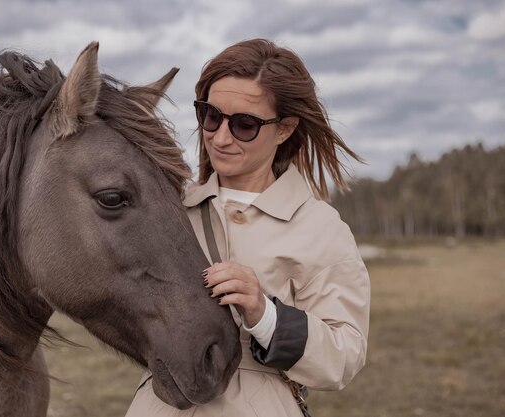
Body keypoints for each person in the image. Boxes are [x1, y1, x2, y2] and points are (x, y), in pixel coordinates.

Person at [125, 38, 370, 417]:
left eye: (244, 125)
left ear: (285, 128)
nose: (219, 138)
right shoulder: (169, 208)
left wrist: (265, 315)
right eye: (210, 116)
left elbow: (344, 357)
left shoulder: (320, 227)